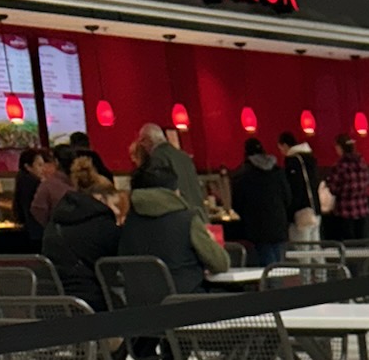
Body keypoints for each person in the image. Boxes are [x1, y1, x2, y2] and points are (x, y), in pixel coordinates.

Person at [119, 164, 228, 292]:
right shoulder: (187, 220)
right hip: (187, 299)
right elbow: (220, 264)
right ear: (175, 192)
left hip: (139, 301)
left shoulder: (128, 223)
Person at [41, 159, 121, 308]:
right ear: (100, 198)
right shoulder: (103, 226)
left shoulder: (56, 222)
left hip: (54, 304)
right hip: (93, 304)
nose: (116, 211)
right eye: (114, 204)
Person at [229, 137, 290, 267]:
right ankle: (278, 278)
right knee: (278, 260)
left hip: (257, 225)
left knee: (266, 261)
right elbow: (288, 197)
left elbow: (237, 203)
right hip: (279, 221)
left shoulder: (243, 174)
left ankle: (272, 280)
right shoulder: (278, 171)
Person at [131, 123, 200, 216]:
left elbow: (159, 197)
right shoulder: (184, 156)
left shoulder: (157, 158)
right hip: (199, 215)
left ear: (148, 140)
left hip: (180, 216)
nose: (142, 146)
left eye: (142, 141)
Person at [278, 129, 322, 244]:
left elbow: (295, 187)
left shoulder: (293, 161)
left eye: (281, 148)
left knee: (301, 247)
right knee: (315, 246)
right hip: (315, 208)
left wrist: (290, 210)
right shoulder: (309, 158)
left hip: (301, 211)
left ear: (285, 145)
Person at [324, 134, 369, 242]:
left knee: (347, 243)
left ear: (340, 147)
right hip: (362, 209)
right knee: (360, 243)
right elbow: (366, 183)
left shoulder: (340, 166)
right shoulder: (362, 163)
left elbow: (334, 189)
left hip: (345, 211)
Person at [13, 146, 51, 245]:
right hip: (37, 234)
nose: (43, 169)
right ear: (28, 167)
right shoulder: (34, 184)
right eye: (39, 165)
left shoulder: (21, 180)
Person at [29, 147, 72, 231]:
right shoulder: (83, 181)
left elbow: (37, 210)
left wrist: (51, 226)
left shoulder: (48, 185)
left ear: (56, 162)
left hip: (58, 233)